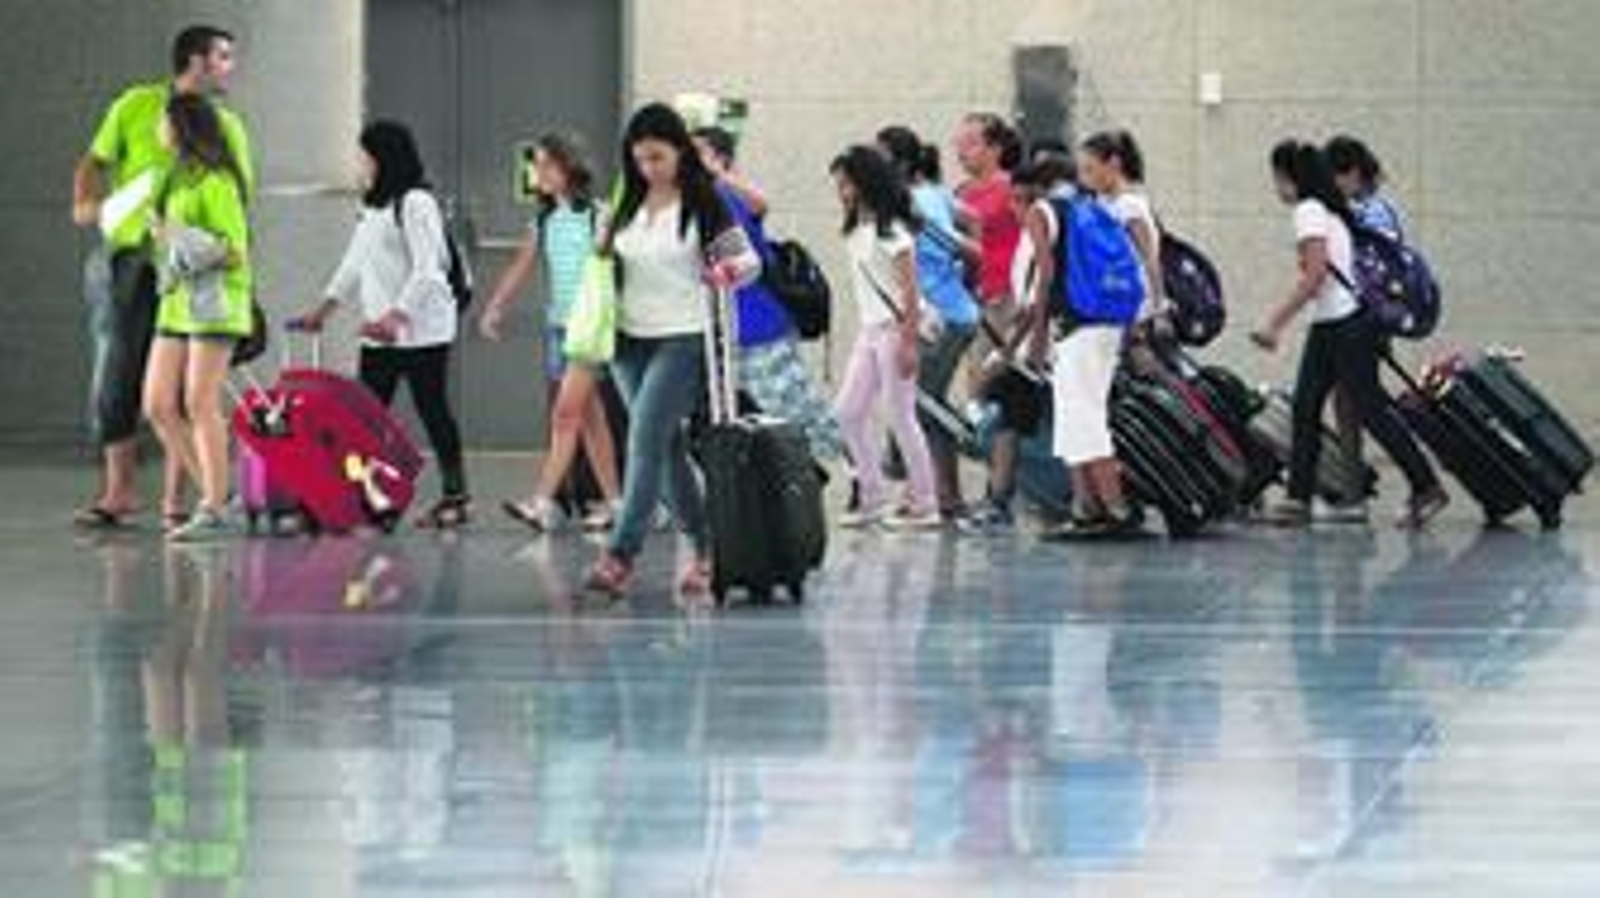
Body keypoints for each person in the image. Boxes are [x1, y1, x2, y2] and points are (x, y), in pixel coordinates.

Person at [71, 24, 254, 532]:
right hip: (136, 262)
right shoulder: (137, 105)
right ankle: (135, 492)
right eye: (223, 56)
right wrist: (88, 203)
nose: (231, 67)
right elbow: (92, 162)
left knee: (195, 399)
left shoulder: (224, 142)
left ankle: (196, 502)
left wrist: (184, 240)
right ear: (195, 60)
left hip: (195, 282)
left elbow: (234, 229)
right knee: (131, 384)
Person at [583, 104, 761, 597]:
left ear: (680, 151)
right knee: (665, 450)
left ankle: (620, 554)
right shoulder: (626, 203)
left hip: (684, 337)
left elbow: (748, 262)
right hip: (626, 339)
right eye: (640, 159)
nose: (649, 168)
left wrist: (725, 271)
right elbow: (604, 260)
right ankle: (706, 548)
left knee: (644, 438)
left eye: (658, 157)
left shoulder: (704, 202)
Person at [1250, 140, 1449, 530]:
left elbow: (1315, 275)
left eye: (1277, 179)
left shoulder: (1309, 210)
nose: (1276, 189)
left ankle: (1426, 486)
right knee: (1307, 406)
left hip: (1345, 324)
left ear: (1292, 178)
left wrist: (1274, 323)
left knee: (1368, 409)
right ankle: (1298, 499)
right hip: (1336, 321)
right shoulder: (1331, 211)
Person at [292, 121, 471, 529]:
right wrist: (324, 309)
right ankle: (357, 497)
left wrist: (396, 316)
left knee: (432, 410)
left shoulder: (416, 203)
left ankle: (456, 497)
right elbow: (354, 262)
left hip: (423, 332)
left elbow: (429, 270)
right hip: (379, 334)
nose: (361, 162)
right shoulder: (373, 206)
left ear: (384, 157)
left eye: (365, 155)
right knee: (361, 421)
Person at [479, 133, 623, 533]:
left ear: (569, 166)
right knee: (590, 419)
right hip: (559, 329)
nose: (538, 173)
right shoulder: (542, 221)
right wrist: (495, 306)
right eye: (535, 165)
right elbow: (521, 266)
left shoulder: (598, 214)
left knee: (564, 414)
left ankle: (541, 501)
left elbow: (619, 267)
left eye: (546, 164)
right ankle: (617, 503)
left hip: (589, 330)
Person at [692, 125, 843, 462]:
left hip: (759, 326)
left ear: (721, 160)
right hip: (732, 332)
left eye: (698, 152)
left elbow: (759, 210)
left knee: (789, 416)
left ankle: (842, 469)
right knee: (760, 423)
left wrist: (718, 176)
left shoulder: (724, 197)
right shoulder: (706, 199)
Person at [141, 94, 254, 542]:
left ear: (182, 127)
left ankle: (216, 506)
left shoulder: (218, 182)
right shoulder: (177, 180)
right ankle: (220, 497)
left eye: (163, 121)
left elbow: (236, 251)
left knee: (199, 403)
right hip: (177, 303)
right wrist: (165, 238)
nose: (158, 129)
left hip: (215, 306)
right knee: (157, 404)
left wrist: (176, 234)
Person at [1027, 158, 1143, 540]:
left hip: (1077, 327)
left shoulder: (1043, 210)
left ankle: (1116, 508)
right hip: (1106, 322)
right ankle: (1085, 507)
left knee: (1086, 419)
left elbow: (1045, 277)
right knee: (1075, 417)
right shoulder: (1091, 209)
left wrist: (1038, 336)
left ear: (1037, 184)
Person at [959, 153, 1075, 534]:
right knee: (1017, 414)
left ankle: (999, 499)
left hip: (1042, 348)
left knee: (1006, 409)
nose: (1013, 208)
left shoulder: (1039, 231)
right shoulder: (1065, 225)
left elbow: (1036, 299)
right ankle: (1012, 497)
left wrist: (1011, 351)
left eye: (1017, 200)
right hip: (1055, 343)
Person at [830, 145, 942, 531]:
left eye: (847, 184)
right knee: (847, 412)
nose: (842, 192)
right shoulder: (856, 228)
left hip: (895, 329)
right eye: (839, 185)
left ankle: (925, 502)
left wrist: (908, 343)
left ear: (866, 182)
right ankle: (873, 496)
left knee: (900, 415)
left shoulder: (891, 229)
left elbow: (910, 290)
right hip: (870, 330)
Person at [877, 125, 982, 518]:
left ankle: (922, 489)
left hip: (939, 318)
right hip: (954, 313)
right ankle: (946, 495)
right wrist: (964, 281)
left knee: (918, 406)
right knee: (926, 404)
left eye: (881, 157)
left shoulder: (908, 202)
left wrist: (960, 273)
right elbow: (973, 220)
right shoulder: (935, 193)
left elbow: (965, 240)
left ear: (901, 164)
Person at [1323, 135, 1407, 520]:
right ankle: (1352, 489)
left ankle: (1413, 484)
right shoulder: (1376, 210)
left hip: (1362, 319)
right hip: (1364, 318)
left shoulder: (1370, 214)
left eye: (1334, 177)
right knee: (1350, 401)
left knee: (1363, 405)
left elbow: (1371, 271)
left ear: (1353, 174)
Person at [952, 113, 1024, 369]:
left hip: (1005, 297)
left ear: (995, 149)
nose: (961, 151)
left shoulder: (1013, 189)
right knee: (973, 370)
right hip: (969, 296)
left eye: (971, 143)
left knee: (989, 372)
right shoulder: (960, 192)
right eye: (959, 143)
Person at [1077, 130, 1166, 338]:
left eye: (1090, 169)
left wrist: (1159, 308)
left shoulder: (1129, 206)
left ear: (1113, 164)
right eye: (1081, 171)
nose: (1083, 178)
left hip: (1131, 303)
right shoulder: (1099, 203)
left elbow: (1149, 259)